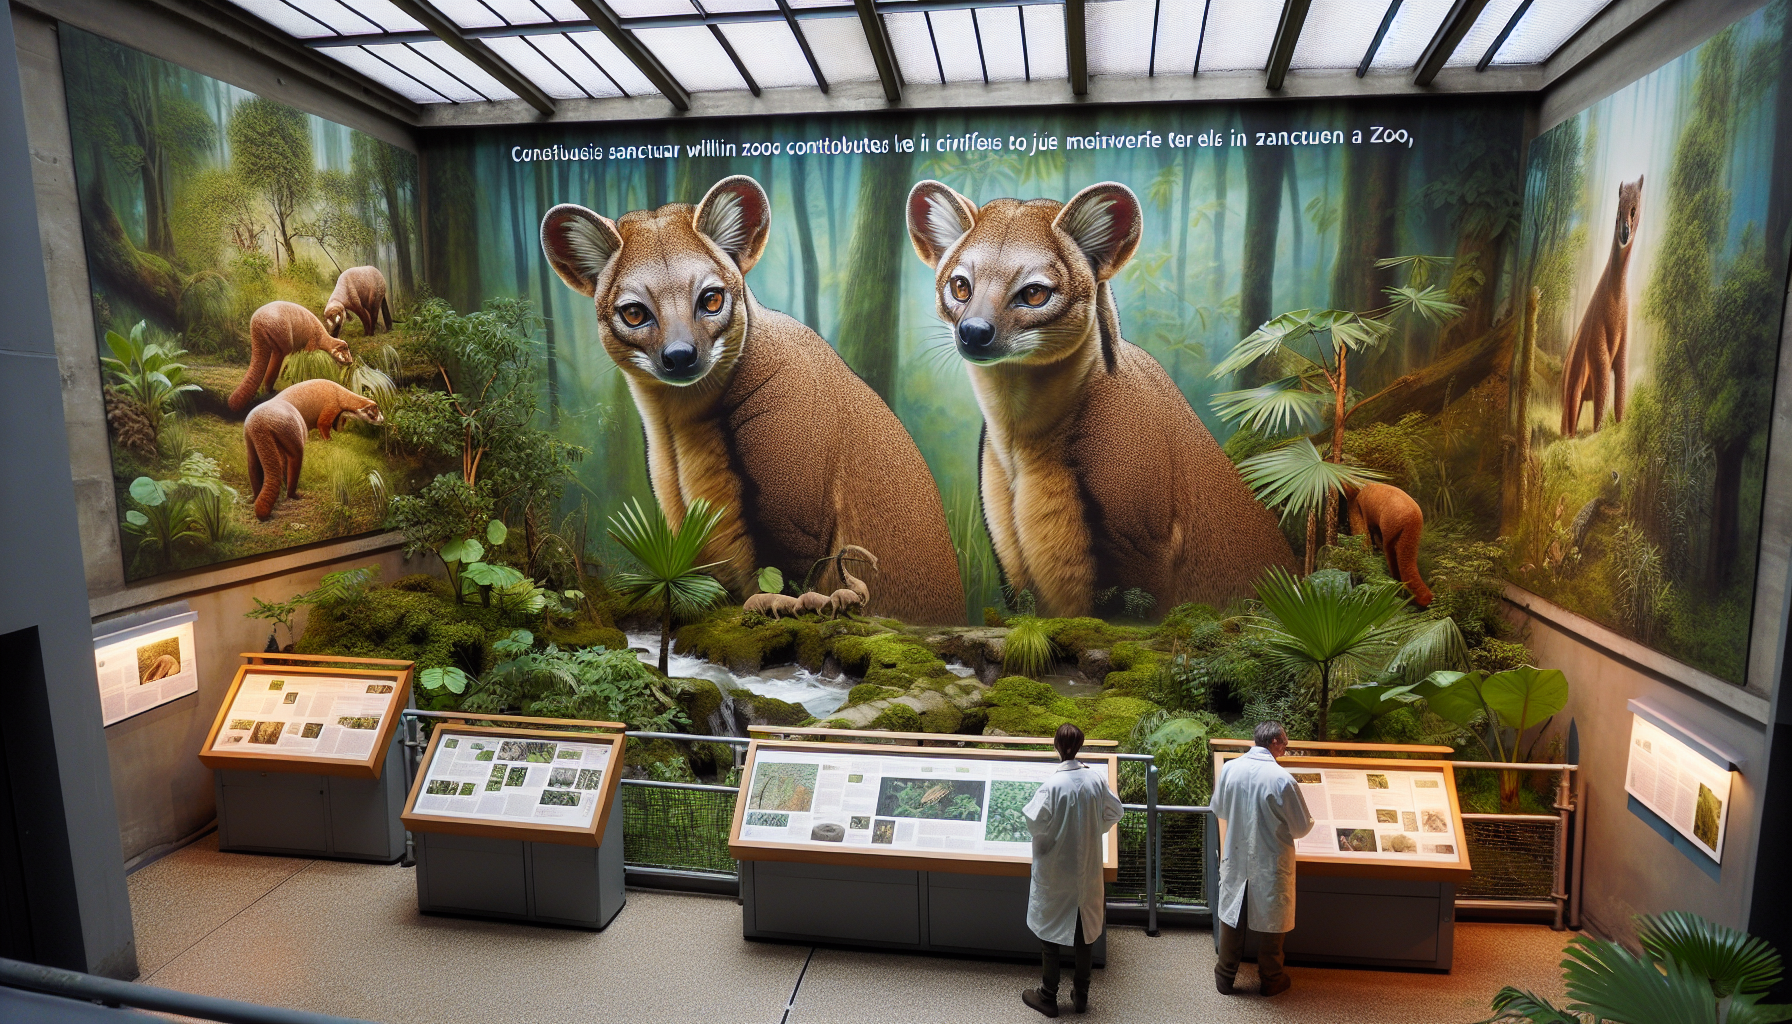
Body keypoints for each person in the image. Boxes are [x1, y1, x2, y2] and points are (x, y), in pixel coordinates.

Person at [1020, 723, 1125, 1018]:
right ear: (1079, 746)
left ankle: (1048, 996)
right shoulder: (1094, 779)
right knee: (1084, 935)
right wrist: (1094, 829)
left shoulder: (1052, 786)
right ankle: (1081, 994)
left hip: (1057, 870)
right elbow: (1115, 811)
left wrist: (1051, 837)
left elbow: (1033, 822)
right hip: (1087, 869)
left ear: (1055, 746)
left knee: (1049, 939)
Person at [1210, 720, 1315, 997]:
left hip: (1237, 852)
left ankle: (1225, 975)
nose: (1285, 750)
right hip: (1271, 858)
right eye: (1285, 745)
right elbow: (1302, 827)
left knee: (1233, 913)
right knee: (1273, 918)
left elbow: (1219, 808)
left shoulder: (1230, 768)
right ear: (1276, 742)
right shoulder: (1282, 779)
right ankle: (1271, 977)